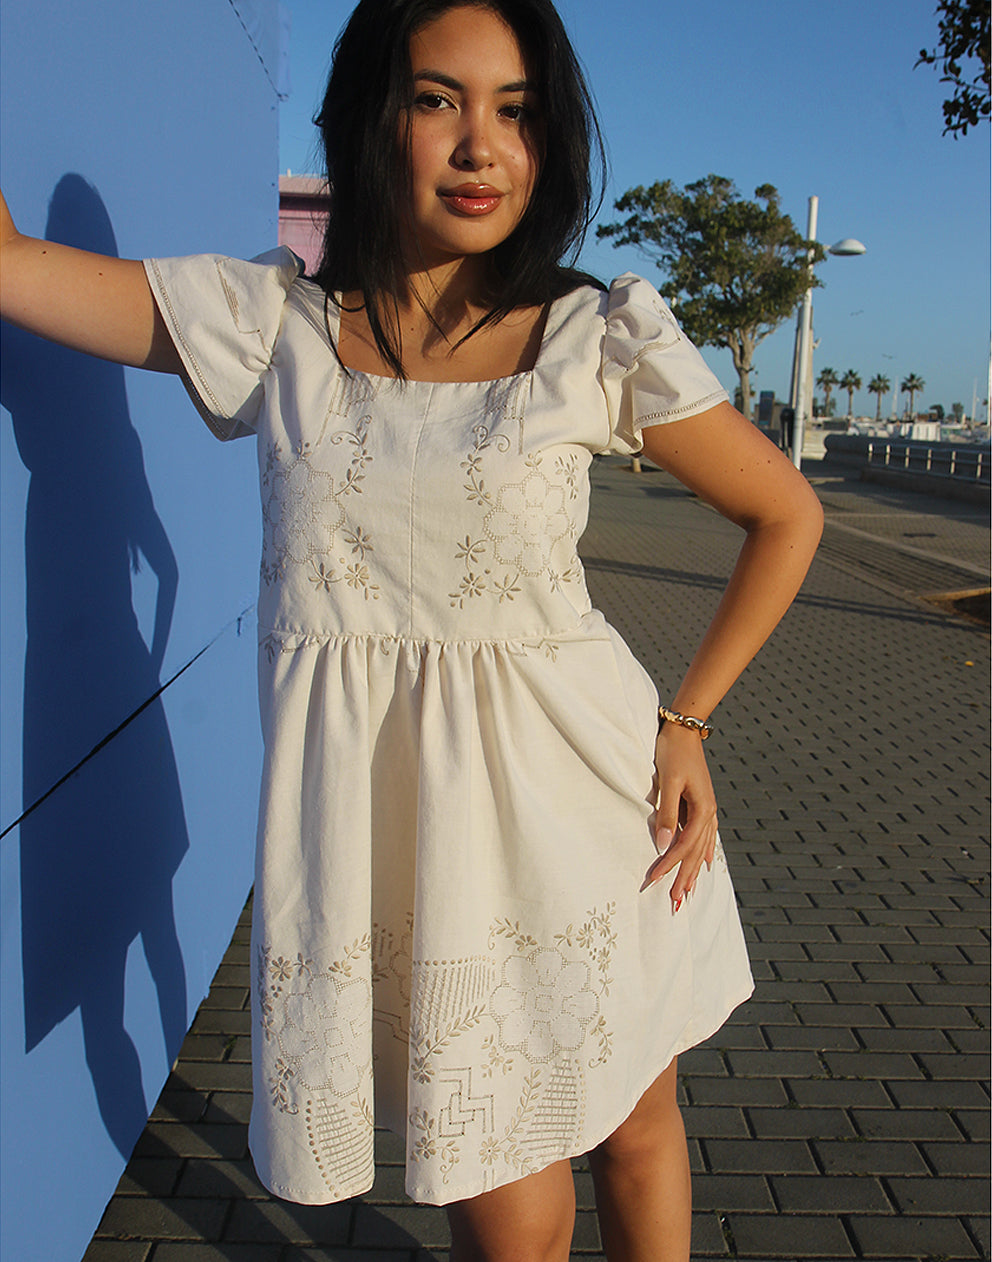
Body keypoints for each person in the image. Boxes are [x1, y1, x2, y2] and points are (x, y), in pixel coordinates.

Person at [0, 0, 824, 1256]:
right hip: (415, 848)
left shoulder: (590, 335)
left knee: (634, 1117)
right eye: (438, 99)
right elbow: (18, 268)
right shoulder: (274, 328)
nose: (478, 144)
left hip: (588, 806)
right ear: (371, 119)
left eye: (515, 111)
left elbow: (784, 513)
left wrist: (688, 720)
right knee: (502, 1185)